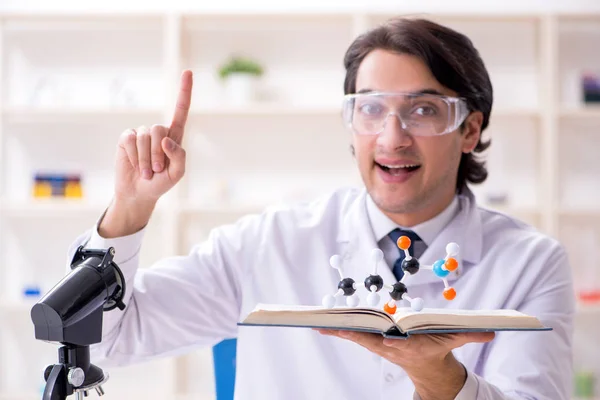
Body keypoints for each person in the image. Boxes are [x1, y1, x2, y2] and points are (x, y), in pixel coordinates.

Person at [68, 17, 575, 399]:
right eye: (371, 109)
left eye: (423, 110)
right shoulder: (270, 241)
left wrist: (437, 375)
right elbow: (109, 341)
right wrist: (130, 208)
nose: (391, 137)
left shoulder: (531, 263)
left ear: (469, 130)